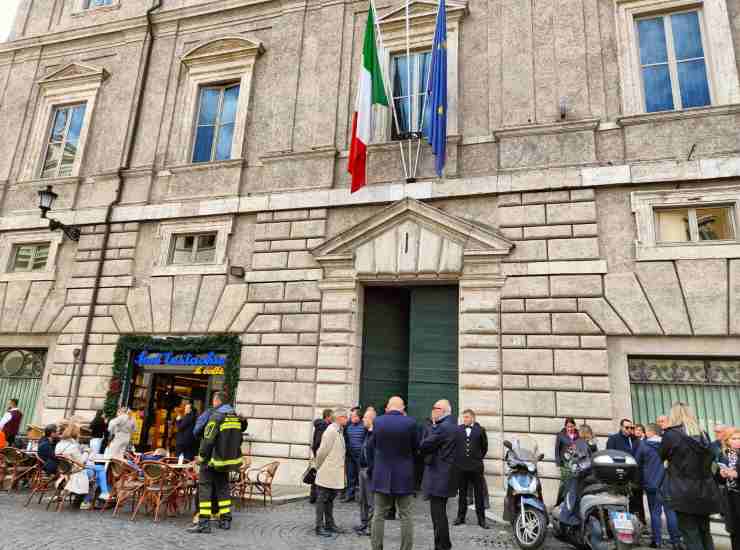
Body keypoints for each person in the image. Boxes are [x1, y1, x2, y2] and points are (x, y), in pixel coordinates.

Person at [660, 402, 721, 550]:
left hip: (682, 490)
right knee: (705, 532)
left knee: (690, 534)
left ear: (673, 415)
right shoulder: (703, 434)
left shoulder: (670, 435)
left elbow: (661, 455)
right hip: (705, 489)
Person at [187, 391, 242, 534]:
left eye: (213, 400)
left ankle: (204, 523)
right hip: (226, 461)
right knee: (223, 488)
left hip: (211, 460)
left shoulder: (216, 416)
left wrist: (201, 456)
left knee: (205, 489)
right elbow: (239, 439)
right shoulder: (235, 417)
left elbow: (208, 439)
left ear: (217, 401)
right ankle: (225, 520)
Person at [369, 396, 418, 550]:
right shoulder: (411, 423)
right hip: (404, 475)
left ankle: (376, 548)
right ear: (402, 408)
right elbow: (416, 447)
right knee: (406, 516)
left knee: (378, 515)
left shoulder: (378, 421)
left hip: (382, 474)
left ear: (388, 407)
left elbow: (373, 445)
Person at [635, 423, 682, 550]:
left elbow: (637, 463)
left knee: (655, 513)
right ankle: (676, 542)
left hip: (652, 484)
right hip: (668, 483)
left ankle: (657, 541)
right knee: (671, 513)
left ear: (650, 432)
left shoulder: (643, 445)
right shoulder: (668, 444)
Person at [420, 399, 458, 550]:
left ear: (442, 410)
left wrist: (432, 426)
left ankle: (442, 546)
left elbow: (425, 444)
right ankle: (444, 544)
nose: (432, 411)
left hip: (439, 476)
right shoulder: (452, 425)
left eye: (434, 408)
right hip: (445, 475)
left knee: (438, 515)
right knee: (439, 513)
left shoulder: (443, 427)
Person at [55, 423, 111, 510]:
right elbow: (81, 461)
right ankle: (96, 497)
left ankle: (94, 497)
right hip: (76, 471)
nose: (80, 435)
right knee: (101, 470)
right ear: (75, 434)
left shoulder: (59, 444)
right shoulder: (72, 446)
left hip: (65, 470)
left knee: (99, 472)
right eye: (78, 433)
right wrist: (87, 452)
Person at [314, 408, 348, 538]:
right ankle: (319, 526)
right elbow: (322, 452)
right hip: (327, 471)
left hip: (334, 472)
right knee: (322, 499)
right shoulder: (331, 431)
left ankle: (329, 524)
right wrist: (318, 466)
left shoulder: (339, 430)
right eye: (345, 417)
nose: (347, 419)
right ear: (339, 418)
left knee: (330, 499)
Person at [454, 409, 489, 529]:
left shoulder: (480, 430)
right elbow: (455, 446)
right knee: (462, 494)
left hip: (476, 467)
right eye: (464, 417)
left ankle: (481, 520)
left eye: (467, 417)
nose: (465, 419)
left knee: (479, 494)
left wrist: (477, 458)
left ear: (473, 418)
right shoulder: (458, 429)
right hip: (461, 467)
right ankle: (460, 517)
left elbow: (484, 447)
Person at [607, 418, 645, 523]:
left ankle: (640, 523)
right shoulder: (613, 439)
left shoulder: (636, 440)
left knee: (637, 501)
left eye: (631, 428)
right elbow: (610, 456)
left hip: (635, 477)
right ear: (621, 427)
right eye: (627, 427)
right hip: (620, 476)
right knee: (620, 502)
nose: (629, 430)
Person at [355, 407, 377, 536]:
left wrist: (371, 469)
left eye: (365, 418)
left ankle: (371, 527)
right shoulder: (367, 432)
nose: (362, 419)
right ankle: (363, 523)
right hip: (362, 469)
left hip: (370, 471)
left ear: (371, 419)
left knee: (371, 501)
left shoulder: (376, 434)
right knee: (362, 499)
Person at [718, 428, 740, 550]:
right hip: (730, 497)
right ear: (727, 441)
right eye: (734, 438)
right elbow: (718, 479)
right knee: (734, 531)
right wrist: (721, 474)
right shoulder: (724, 455)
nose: (737, 441)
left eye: (739, 438)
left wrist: (737, 474)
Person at [310, 408, 333, 504]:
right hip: (321, 455)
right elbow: (318, 442)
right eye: (332, 416)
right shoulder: (323, 426)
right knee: (319, 476)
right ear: (327, 417)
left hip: (318, 454)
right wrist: (319, 453)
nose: (333, 418)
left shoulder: (322, 425)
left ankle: (314, 496)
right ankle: (316, 496)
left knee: (317, 475)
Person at [343, 406, 366, 503]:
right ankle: (350, 495)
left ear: (359, 417)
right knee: (350, 475)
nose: (351, 418)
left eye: (353, 416)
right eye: (351, 416)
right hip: (350, 455)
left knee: (361, 477)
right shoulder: (348, 425)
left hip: (360, 456)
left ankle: (362, 497)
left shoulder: (364, 426)